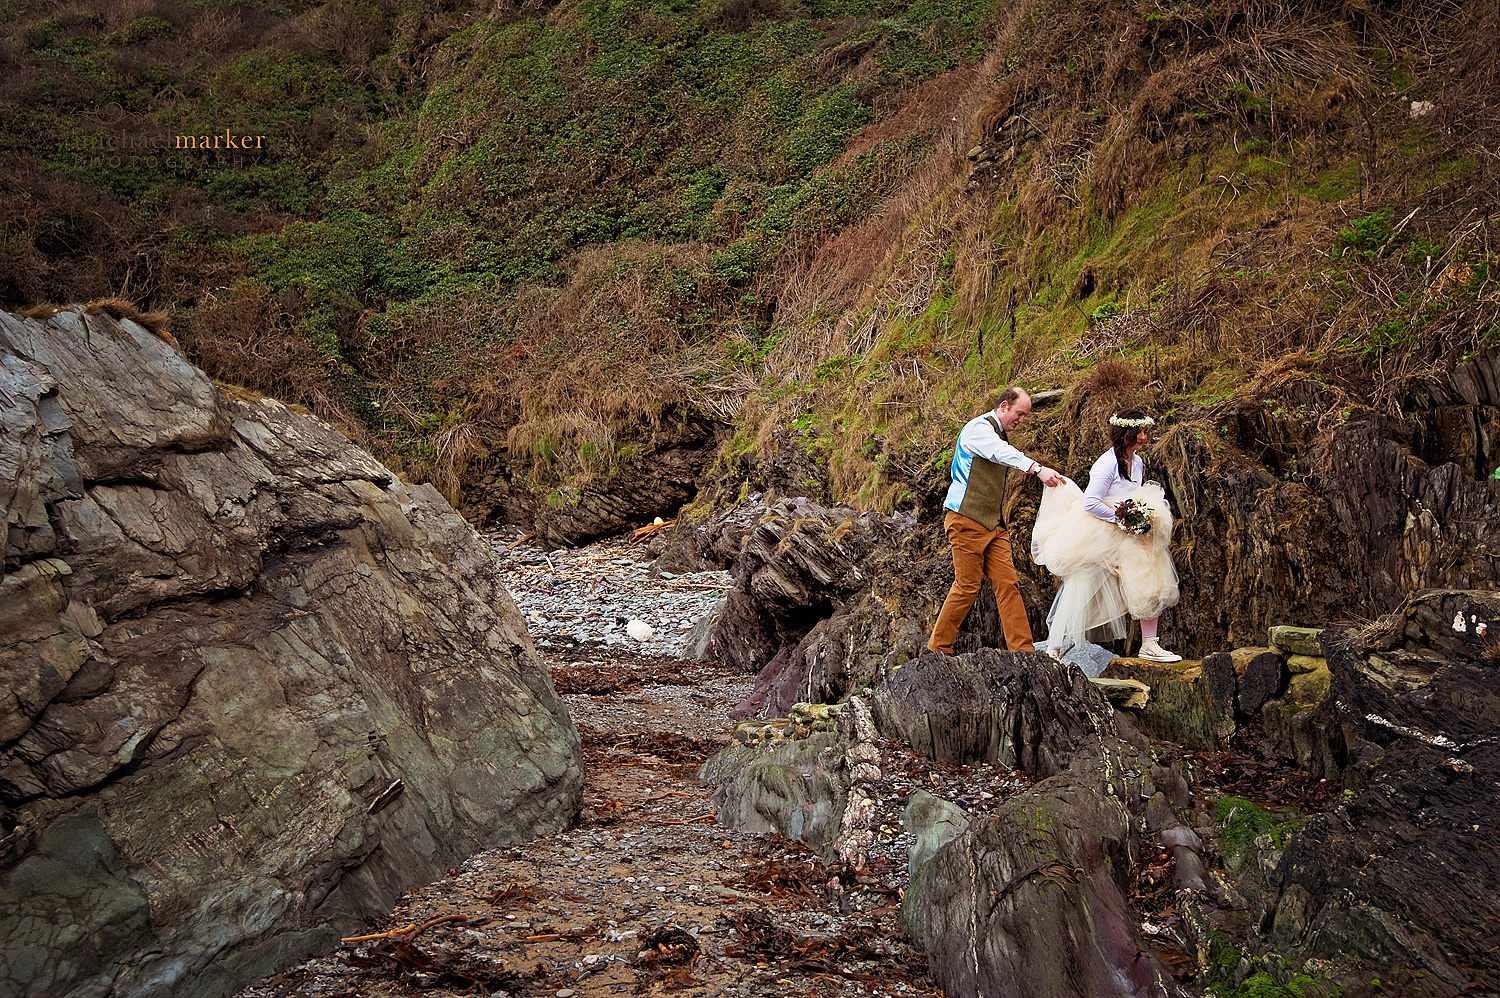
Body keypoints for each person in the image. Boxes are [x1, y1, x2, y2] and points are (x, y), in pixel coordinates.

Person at [1030, 408, 1181, 662]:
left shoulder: (1138, 462)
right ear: (1125, 434)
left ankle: (1150, 644)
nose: (1144, 437)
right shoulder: (1107, 463)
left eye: (1145, 432)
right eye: (1139, 433)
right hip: (1099, 529)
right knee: (1082, 585)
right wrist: (1120, 519)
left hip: (1126, 531)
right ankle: (1054, 649)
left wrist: (1135, 518)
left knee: (1150, 575)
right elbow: (1091, 502)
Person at [927, 387, 1064, 655]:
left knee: (1008, 583)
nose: (1021, 420)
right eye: (1019, 414)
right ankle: (938, 648)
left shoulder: (997, 433)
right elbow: (998, 452)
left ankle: (1023, 651)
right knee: (966, 586)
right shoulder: (978, 429)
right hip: (966, 519)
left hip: (994, 525)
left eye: (1025, 416)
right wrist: (1036, 468)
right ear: (1003, 406)